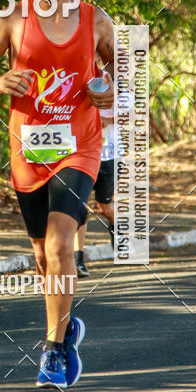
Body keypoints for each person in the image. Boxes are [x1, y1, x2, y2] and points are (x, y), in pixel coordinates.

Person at [0, 0, 115, 389]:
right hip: (28, 150)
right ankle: (65, 322)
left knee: (58, 246)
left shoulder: (96, 21)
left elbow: (123, 78)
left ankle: (53, 349)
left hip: (80, 146)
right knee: (41, 257)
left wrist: (106, 91)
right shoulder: (12, 16)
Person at [75, 114, 117, 277]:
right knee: (78, 206)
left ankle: (116, 230)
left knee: (105, 207)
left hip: (109, 156)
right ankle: (78, 261)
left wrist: (110, 120)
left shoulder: (118, 90)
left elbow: (134, 115)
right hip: (81, 156)